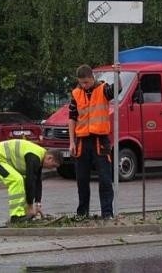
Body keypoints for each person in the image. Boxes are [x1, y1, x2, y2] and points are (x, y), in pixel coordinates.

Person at [68, 64, 119, 220]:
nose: (84, 85)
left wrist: (117, 73)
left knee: (104, 178)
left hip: (100, 139)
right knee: (81, 179)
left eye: (87, 82)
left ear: (92, 78)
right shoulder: (76, 94)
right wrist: (72, 142)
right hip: (82, 140)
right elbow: (72, 118)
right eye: (81, 83)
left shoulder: (103, 89)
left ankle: (107, 213)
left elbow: (117, 90)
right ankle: (82, 212)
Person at [0, 139, 63, 223]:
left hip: (0, 159)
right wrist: (30, 206)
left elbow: (37, 182)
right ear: (49, 158)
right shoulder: (34, 157)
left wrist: (37, 204)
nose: (52, 168)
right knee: (17, 180)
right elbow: (30, 182)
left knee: (21, 180)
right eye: (53, 165)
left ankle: (22, 214)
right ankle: (16, 217)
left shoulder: (40, 155)